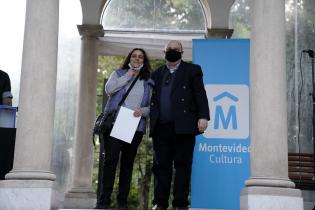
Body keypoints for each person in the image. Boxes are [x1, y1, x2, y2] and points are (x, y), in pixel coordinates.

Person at [150, 40, 210, 210]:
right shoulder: (157, 73)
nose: (173, 51)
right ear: (164, 51)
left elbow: (200, 94)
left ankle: (180, 204)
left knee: (182, 166)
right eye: (169, 49)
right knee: (161, 167)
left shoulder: (192, 70)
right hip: (161, 127)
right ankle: (160, 203)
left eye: (176, 49)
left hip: (184, 127)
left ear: (182, 53)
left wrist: (203, 116)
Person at [95, 48, 153, 210]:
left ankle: (122, 203)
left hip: (135, 125)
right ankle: (103, 202)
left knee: (127, 164)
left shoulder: (149, 80)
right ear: (129, 58)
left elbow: (152, 105)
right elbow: (109, 89)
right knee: (110, 161)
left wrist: (143, 111)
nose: (137, 59)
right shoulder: (119, 73)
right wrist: (128, 75)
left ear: (144, 61)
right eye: (134, 56)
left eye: (140, 57)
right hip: (115, 123)